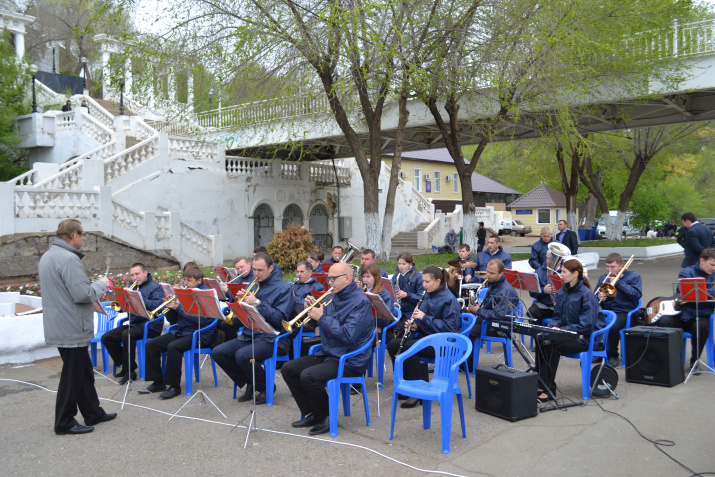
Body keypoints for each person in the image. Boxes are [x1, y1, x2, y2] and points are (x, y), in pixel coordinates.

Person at [38, 219, 116, 435]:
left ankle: (93, 412)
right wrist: (102, 284)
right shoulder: (68, 259)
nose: (83, 238)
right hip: (71, 325)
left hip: (62, 323)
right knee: (73, 376)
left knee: (83, 372)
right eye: (82, 235)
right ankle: (64, 421)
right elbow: (82, 294)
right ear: (73, 235)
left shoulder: (49, 255)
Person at [281, 262, 375, 435]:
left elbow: (347, 336)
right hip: (331, 351)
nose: (329, 283)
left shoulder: (361, 302)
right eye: (328, 278)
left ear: (348, 278)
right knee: (289, 369)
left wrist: (322, 318)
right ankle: (313, 413)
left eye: (333, 279)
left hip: (350, 358)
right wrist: (313, 310)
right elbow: (329, 325)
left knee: (308, 376)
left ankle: (326, 417)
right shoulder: (334, 296)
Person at [212, 253, 293, 404]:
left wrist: (257, 302)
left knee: (243, 355)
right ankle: (251, 381)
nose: (256, 274)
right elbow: (245, 318)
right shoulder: (253, 285)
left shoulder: (283, 289)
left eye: (260, 270)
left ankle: (266, 387)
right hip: (251, 335)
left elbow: (279, 319)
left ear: (271, 268)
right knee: (218, 352)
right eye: (254, 269)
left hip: (273, 338)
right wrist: (240, 304)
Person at [387, 266, 462, 408]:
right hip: (429, 338)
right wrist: (416, 326)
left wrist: (424, 318)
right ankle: (408, 384)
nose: (423, 285)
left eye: (427, 282)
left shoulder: (448, 299)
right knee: (393, 345)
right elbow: (426, 323)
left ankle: (417, 393)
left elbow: (450, 328)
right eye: (423, 281)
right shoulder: (428, 295)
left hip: (444, 344)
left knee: (410, 348)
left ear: (438, 281)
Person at [139, 267, 218, 399]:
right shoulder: (185, 293)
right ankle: (158, 382)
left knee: (173, 347)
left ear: (199, 280)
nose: (186, 283)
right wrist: (171, 308)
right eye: (185, 280)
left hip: (199, 334)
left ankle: (174, 387)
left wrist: (179, 308)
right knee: (151, 344)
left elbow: (202, 320)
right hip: (182, 331)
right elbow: (173, 320)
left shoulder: (205, 294)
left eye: (189, 280)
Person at [536, 259, 603, 402]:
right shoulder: (562, 292)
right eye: (561, 271)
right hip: (568, 334)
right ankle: (541, 384)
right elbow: (557, 317)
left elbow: (587, 325)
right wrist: (552, 327)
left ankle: (549, 390)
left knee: (552, 344)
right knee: (541, 339)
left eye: (564, 272)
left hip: (584, 338)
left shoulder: (586, 294)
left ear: (575, 274)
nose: (561, 274)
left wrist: (560, 329)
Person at [101, 263, 165, 384]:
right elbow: (129, 307)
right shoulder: (132, 285)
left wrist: (138, 297)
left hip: (151, 325)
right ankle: (126, 366)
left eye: (137, 274)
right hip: (135, 323)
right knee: (107, 338)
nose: (135, 277)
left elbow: (157, 306)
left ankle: (129, 371)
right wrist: (122, 305)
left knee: (127, 334)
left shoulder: (155, 287)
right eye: (132, 275)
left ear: (145, 273)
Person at [658, 248, 715, 373]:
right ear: (702, 260)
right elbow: (681, 293)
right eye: (712, 264)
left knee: (701, 327)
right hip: (684, 314)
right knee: (664, 322)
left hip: (703, 314)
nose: (714, 268)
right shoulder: (686, 273)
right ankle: (674, 359)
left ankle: (695, 361)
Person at [595, 253, 642, 366]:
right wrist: (598, 296)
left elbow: (636, 294)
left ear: (621, 266)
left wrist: (618, 283)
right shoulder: (604, 277)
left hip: (624, 311)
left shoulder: (634, 276)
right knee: (589, 321)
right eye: (607, 266)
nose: (609, 270)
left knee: (613, 327)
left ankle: (612, 355)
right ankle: (598, 350)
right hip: (607, 310)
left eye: (612, 267)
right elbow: (594, 295)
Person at [467, 259, 519, 346]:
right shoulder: (493, 283)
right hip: (489, 320)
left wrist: (478, 311)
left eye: (492, 273)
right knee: (462, 323)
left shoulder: (505, 291)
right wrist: (478, 310)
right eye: (487, 272)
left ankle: (468, 359)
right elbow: (489, 305)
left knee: (469, 332)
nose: (488, 275)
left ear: (501, 274)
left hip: (500, 327)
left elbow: (499, 316)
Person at [392, 252, 424, 341]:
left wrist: (408, 295)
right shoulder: (396, 276)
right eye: (399, 264)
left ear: (410, 264)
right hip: (399, 310)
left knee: (402, 327)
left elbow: (421, 298)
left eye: (403, 264)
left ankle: (399, 346)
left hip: (411, 311)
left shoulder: (418, 277)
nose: (401, 266)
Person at [362, 264, 395, 334]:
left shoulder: (384, 295)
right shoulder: (361, 291)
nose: (365, 280)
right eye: (363, 276)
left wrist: (366, 315)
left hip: (374, 330)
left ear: (376, 278)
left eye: (368, 277)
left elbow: (386, 320)